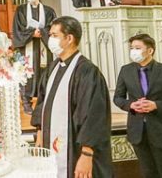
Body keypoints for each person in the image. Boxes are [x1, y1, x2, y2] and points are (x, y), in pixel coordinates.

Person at [32, 16, 112, 178]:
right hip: (50, 142)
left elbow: (94, 115)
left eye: (55, 35)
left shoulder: (87, 72)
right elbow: (42, 102)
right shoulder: (53, 67)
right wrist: (40, 132)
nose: (50, 39)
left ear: (69, 38)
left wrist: (87, 153)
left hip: (77, 149)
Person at [113, 34, 162, 178]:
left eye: (137, 48)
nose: (133, 51)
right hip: (137, 131)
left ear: (150, 50)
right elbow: (118, 98)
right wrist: (131, 105)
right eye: (131, 48)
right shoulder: (126, 70)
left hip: (161, 131)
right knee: (148, 172)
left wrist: (156, 105)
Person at [11, 0, 57, 114]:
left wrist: (42, 32)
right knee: (26, 73)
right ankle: (26, 103)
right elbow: (17, 29)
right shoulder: (21, 10)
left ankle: (42, 103)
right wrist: (32, 33)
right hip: (26, 47)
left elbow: (53, 28)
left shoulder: (49, 11)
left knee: (44, 73)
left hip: (43, 47)